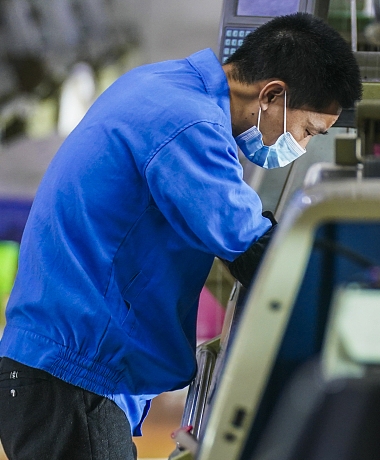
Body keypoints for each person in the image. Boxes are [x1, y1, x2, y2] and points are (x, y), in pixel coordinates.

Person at [0, 12, 361, 460]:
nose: (301, 148)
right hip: (72, 380)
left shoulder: (163, 85)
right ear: (271, 95)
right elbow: (256, 249)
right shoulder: (189, 124)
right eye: (307, 131)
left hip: (64, 371)